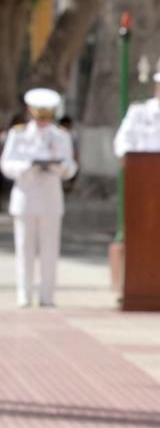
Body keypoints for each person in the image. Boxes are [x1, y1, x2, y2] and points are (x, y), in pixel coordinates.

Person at [0, 88, 77, 308]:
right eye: (39, 116)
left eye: (47, 116)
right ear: (30, 112)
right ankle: (24, 294)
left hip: (51, 198)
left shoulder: (61, 136)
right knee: (24, 247)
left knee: (50, 250)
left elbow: (71, 166)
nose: (43, 121)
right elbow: (6, 164)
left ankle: (47, 296)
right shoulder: (18, 134)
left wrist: (59, 168)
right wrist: (26, 168)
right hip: (25, 195)